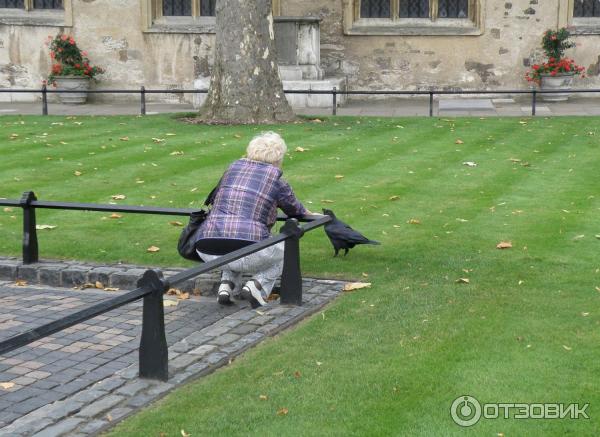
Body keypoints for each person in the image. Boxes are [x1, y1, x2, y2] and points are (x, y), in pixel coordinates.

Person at [194, 131, 309, 308]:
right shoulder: (276, 178)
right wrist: (312, 214)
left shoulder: (232, 168)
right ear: (278, 157)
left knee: (231, 238)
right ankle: (256, 286)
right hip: (245, 246)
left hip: (207, 247)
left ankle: (226, 287)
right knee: (287, 249)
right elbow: (296, 210)